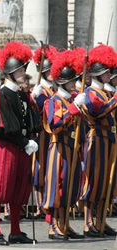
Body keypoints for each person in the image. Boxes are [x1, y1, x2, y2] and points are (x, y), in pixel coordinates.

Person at [0, 41, 40, 245]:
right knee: (0, 190)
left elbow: (30, 120)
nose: (23, 73)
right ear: (9, 73)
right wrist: (24, 141)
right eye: (19, 70)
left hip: (22, 146)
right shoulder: (0, 95)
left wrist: (32, 137)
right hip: (7, 147)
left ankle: (15, 230)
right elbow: (4, 125)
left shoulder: (22, 94)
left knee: (19, 190)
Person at [42, 50, 85, 240]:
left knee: (71, 185)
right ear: (62, 82)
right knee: (57, 186)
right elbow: (56, 124)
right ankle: (54, 225)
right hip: (59, 148)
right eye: (72, 81)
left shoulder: (70, 99)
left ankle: (64, 223)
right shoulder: (54, 100)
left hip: (72, 147)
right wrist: (74, 108)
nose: (75, 83)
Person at [79, 44, 117, 237]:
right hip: (96, 139)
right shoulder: (89, 93)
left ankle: (101, 221)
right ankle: (88, 222)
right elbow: (98, 111)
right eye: (105, 72)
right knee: (93, 181)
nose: (109, 75)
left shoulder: (107, 92)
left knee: (106, 182)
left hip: (109, 139)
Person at [30, 45, 58, 218]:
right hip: (41, 133)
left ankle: (47, 201)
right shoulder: (39, 89)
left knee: (50, 168)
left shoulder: (54, 90)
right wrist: (33, 97)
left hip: (52, 134)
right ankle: (40, 203)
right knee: (40, 168)